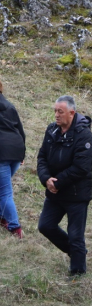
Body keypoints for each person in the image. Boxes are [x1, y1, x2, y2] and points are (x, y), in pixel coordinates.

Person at [37, 95, 92, 276]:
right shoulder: (52, 130)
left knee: (76, 235)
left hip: (76, 195)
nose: (56, 115)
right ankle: (77, 253)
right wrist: (46, 179)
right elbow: (41, 158)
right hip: (54, 192)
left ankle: (78, 272)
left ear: (72, 113)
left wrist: (58, 182)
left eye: (60, 112)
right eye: (55, 111)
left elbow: (81, 167)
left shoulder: (83, 134)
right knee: (45, 226)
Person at [0, 80, 25, 238]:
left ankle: (15, 228)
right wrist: (21, 155)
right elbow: (20, 129)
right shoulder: (9, 105)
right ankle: (3, 217)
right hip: (17, 149)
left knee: (4, 193)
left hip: (2, 153)